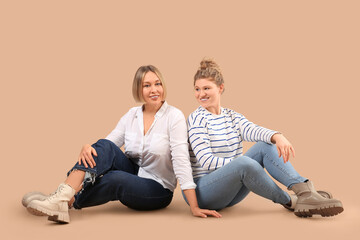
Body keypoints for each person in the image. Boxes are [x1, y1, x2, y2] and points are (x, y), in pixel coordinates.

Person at [23, 65, 221, 223]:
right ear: (138, 89)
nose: (154, 90)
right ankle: (61, 196)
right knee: (103, 146)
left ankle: (67, 201)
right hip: (134, 171)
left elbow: (181, 160)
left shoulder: (174, 116)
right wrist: (88, 147)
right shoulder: (131, 115)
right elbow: (106, 147)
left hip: (158, 189)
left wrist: (194, 206)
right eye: (147, 85)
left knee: (116, 178)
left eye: (157, 83)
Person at [184, 59, 344, 217]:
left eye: (206, 88)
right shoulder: (197, 119)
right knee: (243, 162)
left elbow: (252, 129)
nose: (201, 94)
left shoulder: (232, 116)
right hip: (203, 192)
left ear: (220, 88)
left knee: (264, 146)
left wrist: (277, 136)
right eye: (197, 89)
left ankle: (305, 192)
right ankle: (290, 201)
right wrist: (242, 165)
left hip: (229, 193)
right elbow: (206, 161)